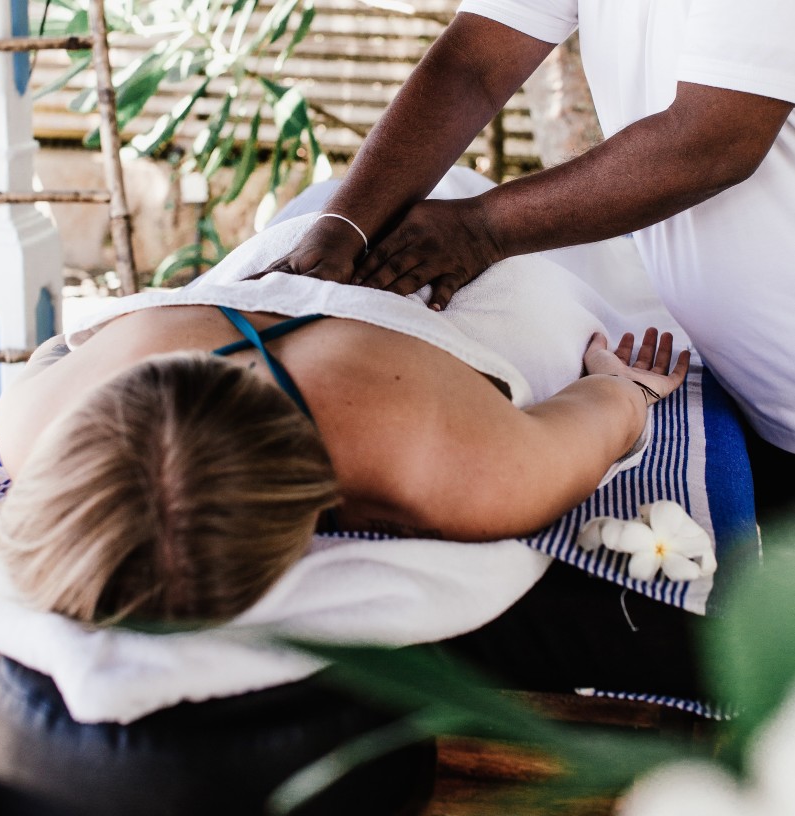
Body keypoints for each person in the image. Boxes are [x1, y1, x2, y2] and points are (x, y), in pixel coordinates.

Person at [0, 206, 689, 633]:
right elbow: (60, 349)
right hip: (304, 237)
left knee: (611, 275)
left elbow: (608, 410)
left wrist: (623, 384)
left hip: (480, 285)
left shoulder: (458, 465)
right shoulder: (35, 424)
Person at [261, 2, 795, 525]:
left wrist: (481, 230)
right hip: (758, 394)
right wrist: (342, 226)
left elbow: (715, 138)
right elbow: (473, 62)